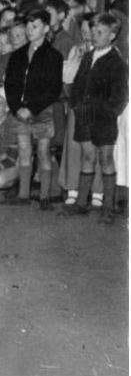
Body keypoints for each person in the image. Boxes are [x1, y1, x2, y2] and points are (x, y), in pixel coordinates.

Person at [60, 13, 128, 223]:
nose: (94, 36)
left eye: (100, 32)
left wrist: (107, 112)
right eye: (93, 31)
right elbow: (78, 84)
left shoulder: (117, 62)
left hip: (104, 119)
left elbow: (120, 97)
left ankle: (108, 207)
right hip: (84, 116)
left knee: (105, 159)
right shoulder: (88, 57)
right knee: (87, 157)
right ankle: (81, 202)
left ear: (113, 35)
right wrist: (76, 105)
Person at [3, 9, 63, 209]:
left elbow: (53, 89)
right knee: (24, 150)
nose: (30, 31)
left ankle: (44, 196)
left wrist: (32, 108)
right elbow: (10, 85)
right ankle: (23, 194)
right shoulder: (18, 54)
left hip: (41, 111)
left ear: (46, 28)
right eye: (27, 27)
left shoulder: (54, 56)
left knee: (44, 151)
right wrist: (16, 107)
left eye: (35, 26)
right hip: (20, 111)